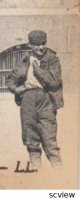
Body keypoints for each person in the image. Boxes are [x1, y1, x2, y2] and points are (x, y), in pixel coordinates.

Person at [6, 30, 63, 168]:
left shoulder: (52, 59)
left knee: (49, 139)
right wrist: (17, 89)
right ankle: (36, 169)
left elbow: (53, 81)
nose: (41, 47)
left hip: (46, 99)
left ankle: (59, 172)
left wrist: (36, 68)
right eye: (37, 44)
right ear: (30, 45)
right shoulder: (25, 60)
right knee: (30, 137)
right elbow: (11, 79)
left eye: (43, 43)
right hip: (28, 99)